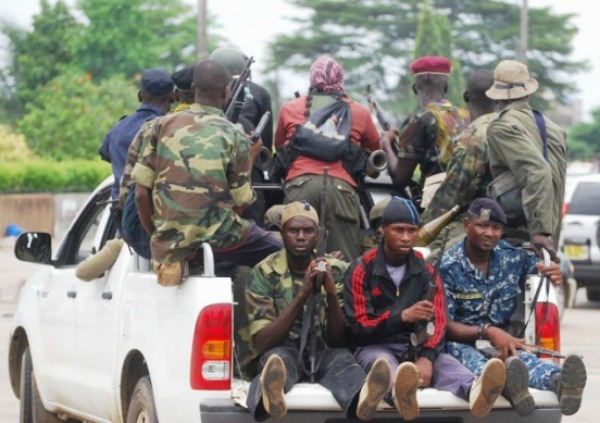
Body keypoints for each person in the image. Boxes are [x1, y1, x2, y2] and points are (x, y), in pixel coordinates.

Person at [343, 197, 505, 420]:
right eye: (398, 230)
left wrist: (427, 357)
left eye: (412, 230)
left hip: (417, 347)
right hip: (375, 345)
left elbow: (438, 322)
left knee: (451, 368)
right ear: (383, 230)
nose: (406, 237)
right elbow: (359, 326)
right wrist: (403, 317)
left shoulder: (427, 271)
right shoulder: (362, 268)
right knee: (383, 366)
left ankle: (478, 394)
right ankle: (398, 392)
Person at [130, 60, 282, 285]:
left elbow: (141, 195)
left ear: (192, 90)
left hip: (167, 240)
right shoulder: (235, 135)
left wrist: (158, 236)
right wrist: (250, 156)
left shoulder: (157, 126)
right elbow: (240, 202)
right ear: (226, 91)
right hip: (221, 236)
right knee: (287, 252)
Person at [243, 201, 391, 422]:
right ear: (282, 234)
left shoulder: (339, 270)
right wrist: (303, 294)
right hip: (284, 349)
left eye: (308, 231)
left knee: (345, 363)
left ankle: (363, 401)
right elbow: (263, 342)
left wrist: (330, 293)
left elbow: (340, 340)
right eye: (294, 230)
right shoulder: (264, 272)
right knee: (276, 362)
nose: (301, 236)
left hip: (326, 351)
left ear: (318, 235)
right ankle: (270, 398)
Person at [440, 198, 587, 416]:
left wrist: (555, 271)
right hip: (462, 343)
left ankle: (560, 382)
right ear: (467, 226)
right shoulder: (448, 265)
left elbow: (544, 270)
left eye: (496, 228)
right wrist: (488, 331)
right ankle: (511, 388)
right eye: (482, 225)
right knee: (483, 367)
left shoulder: (511, 257)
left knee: (522, 359)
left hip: (501, 343)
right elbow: (446, 327)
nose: (489, 233)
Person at [273, 55, 381, 260]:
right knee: (343, 261)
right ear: (341, 80)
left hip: (300, 185)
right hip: (341, 190)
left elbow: (279, 147)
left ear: (312, 80)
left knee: (297, 261)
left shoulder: (290, 108)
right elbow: (374, 147)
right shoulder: (359, 111)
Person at [485, 60, 567, 262]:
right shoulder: (554, 129)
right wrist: (546, 232)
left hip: (520, 236)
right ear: (528, 92)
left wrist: (539, 230)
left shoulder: (501, 127)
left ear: (497, 96)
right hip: (549, 237)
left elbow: (538, 171)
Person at [421, 69, 497, 262]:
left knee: (423, 261)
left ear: (465, 96)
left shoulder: (474, 136)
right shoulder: (511, 127)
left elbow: (452, 195)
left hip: (483, 222)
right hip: (512, 221)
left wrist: (421, 227)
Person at [382, 56, 470, 204]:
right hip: (468, 203)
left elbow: (400, 178)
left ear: (414, 88)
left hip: (436, 207)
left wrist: (386, 145)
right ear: (446, 86)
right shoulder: (466, 116)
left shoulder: (420, 121)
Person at [210, 47, 274, 228]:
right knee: (252, 229)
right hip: (251, 169)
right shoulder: (260, 93)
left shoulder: (209, 92)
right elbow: (265, 146)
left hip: (215, 169)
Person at [99, 68, 174, 200]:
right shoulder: (169, 130)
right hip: (153, 214)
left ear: (140, 96)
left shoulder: (119, 127)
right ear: (173, 97)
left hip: (120, 214)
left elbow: (105, 152)